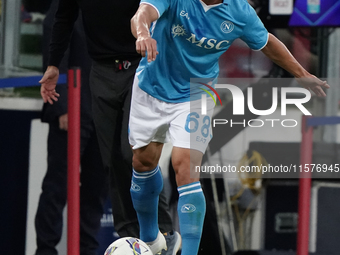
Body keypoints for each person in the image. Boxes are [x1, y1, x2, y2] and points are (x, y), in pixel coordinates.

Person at [127, 0, 330, 254]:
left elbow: (267, 42)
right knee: (143, 163)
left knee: (185, 165)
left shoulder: (239, 11)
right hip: (151, 89)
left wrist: (302, 75)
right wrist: (144, 33)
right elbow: (142, 14)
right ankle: (150, 239)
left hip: (197, 92)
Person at [38, 0, 181, 254]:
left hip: (142, 68)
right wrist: (53, 65)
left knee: (134, 154)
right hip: (101, 72)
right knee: (112, 160)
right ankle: (131, 237)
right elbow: (62, 17)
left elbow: (164, 12)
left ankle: (164, 231)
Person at [35, 1, 108, 255]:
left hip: (104, 111)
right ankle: (46, 249)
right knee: (57, 186)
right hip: (73, 110)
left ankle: (86, 249)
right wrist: (63, 106)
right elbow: (55, 49)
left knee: (96, 189)